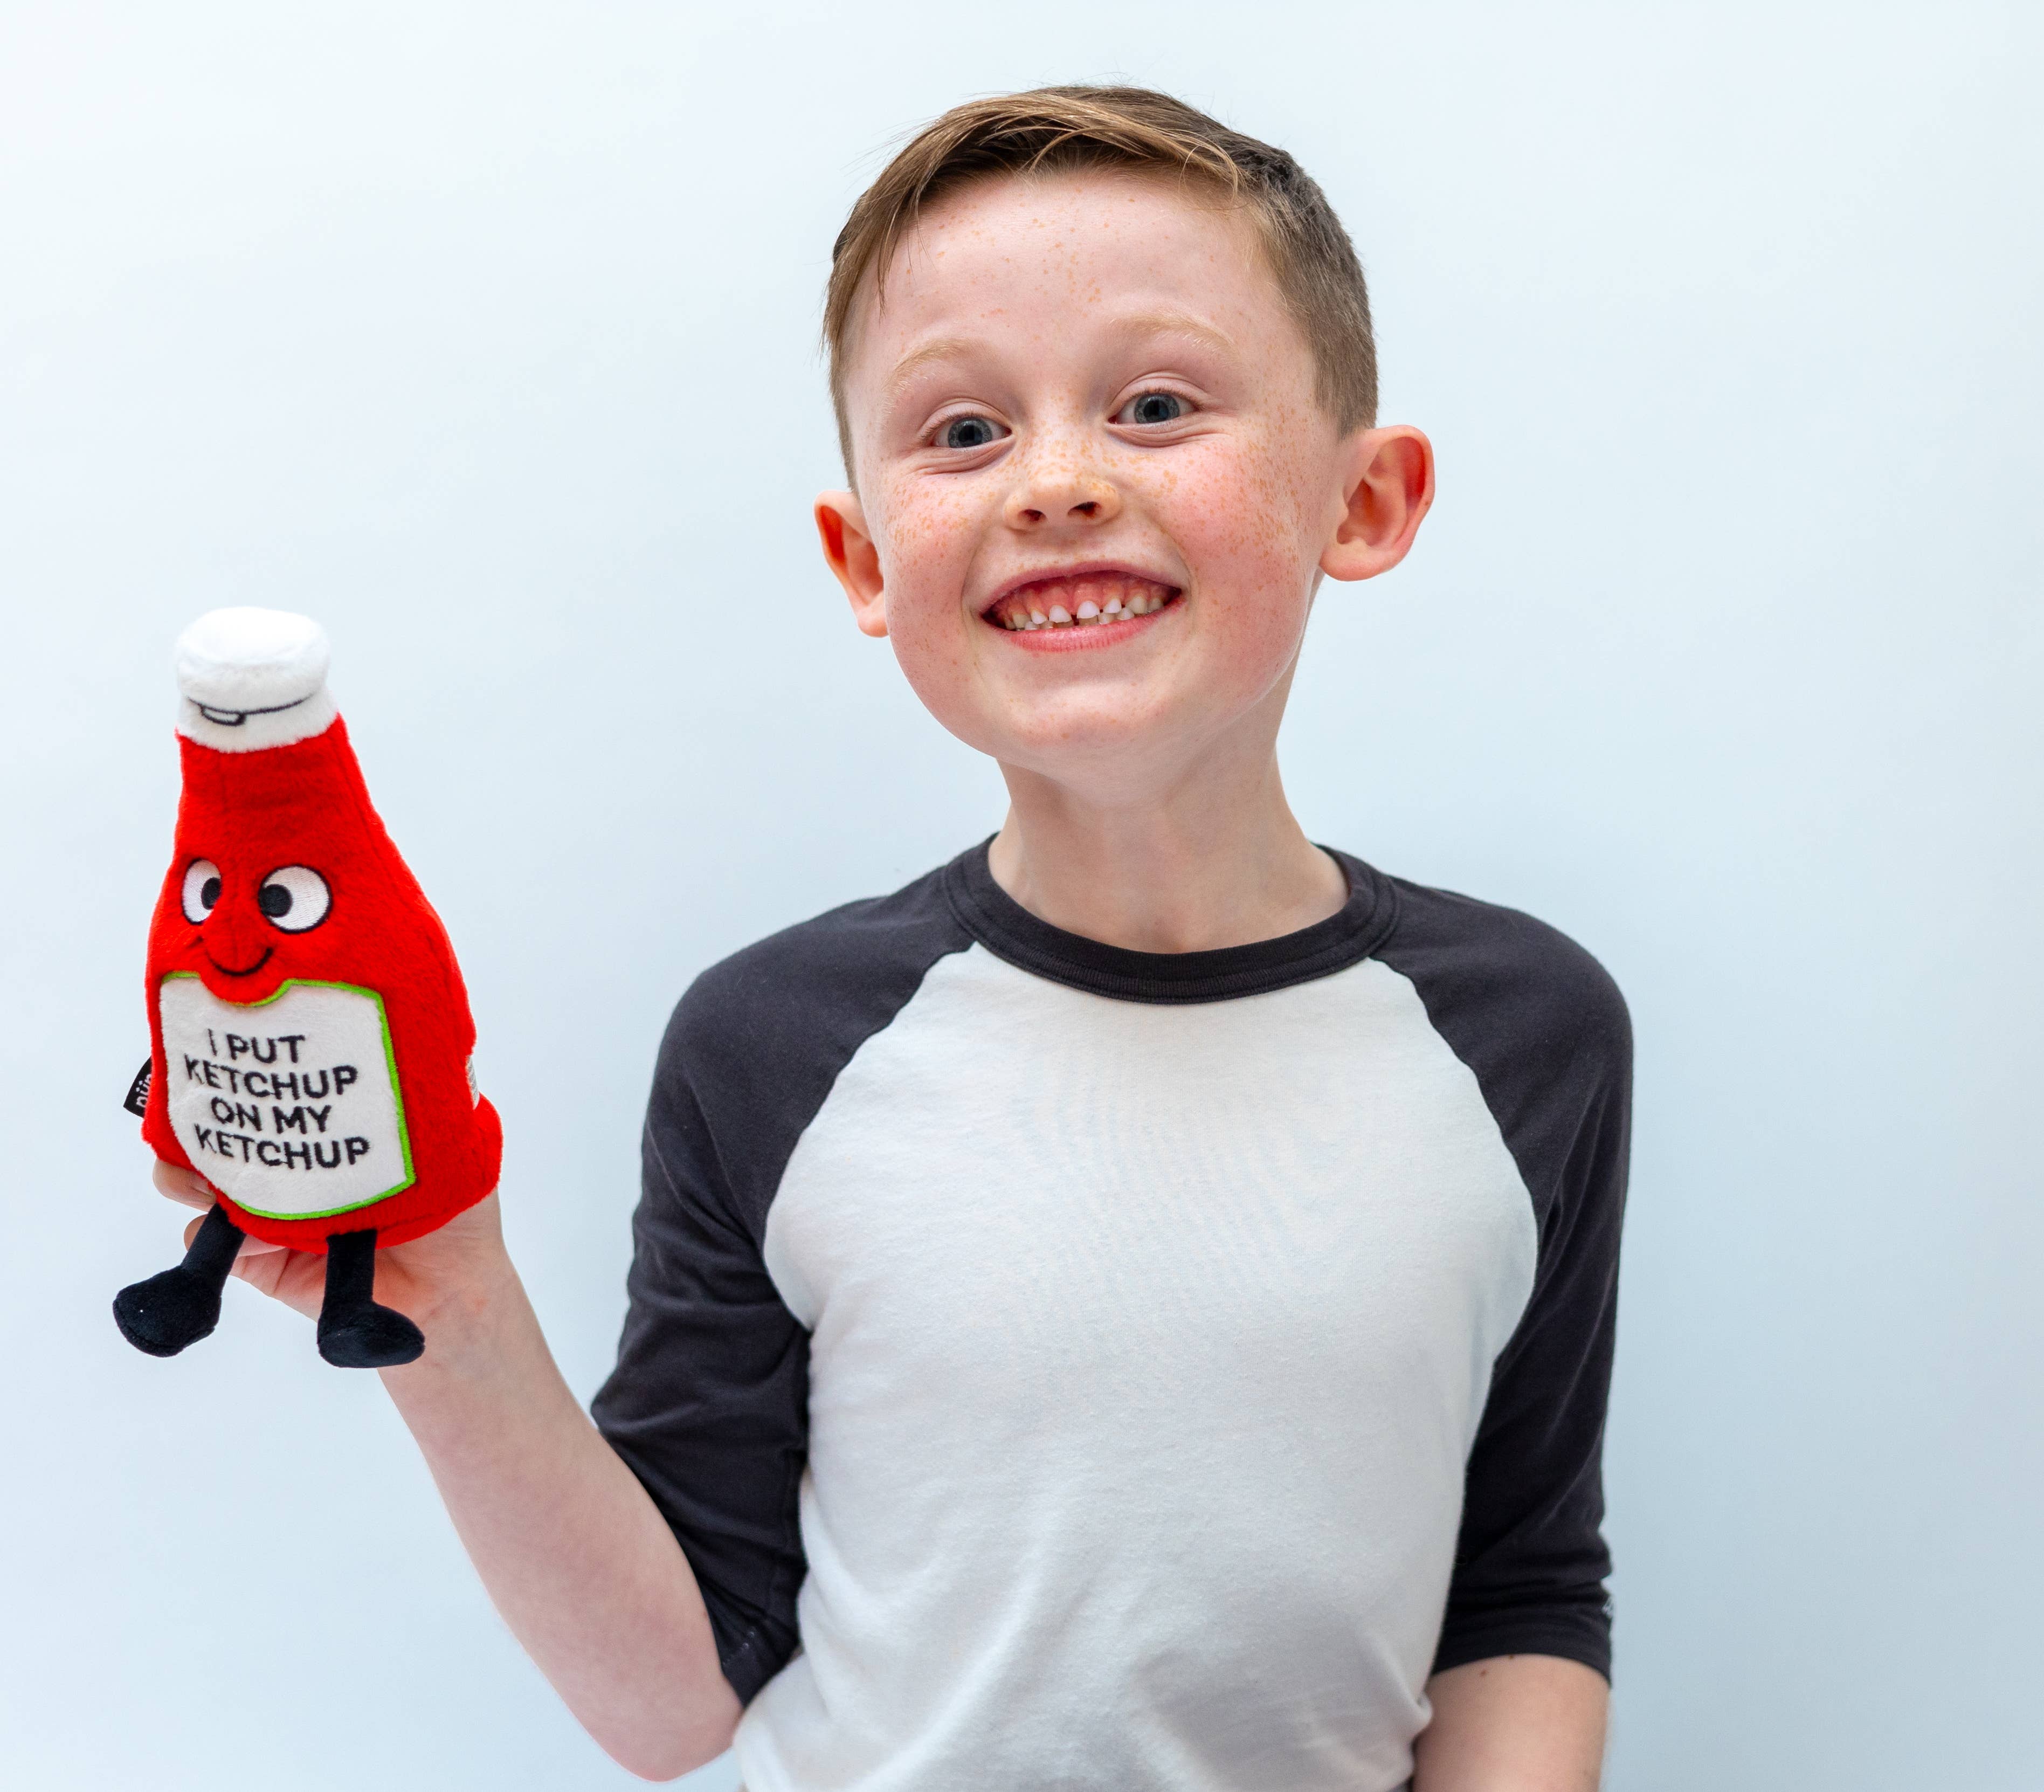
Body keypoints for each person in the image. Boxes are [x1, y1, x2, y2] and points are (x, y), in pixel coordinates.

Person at [154, 85, 1631, 1792]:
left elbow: (1519, 1581)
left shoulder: (1529, 1034)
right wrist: (451, 1292)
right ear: (864, 559)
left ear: (1364, 501)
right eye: (965, 430)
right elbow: (678, 1699)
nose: (1059, 482)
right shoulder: (769, 1045)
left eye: (1157, 405)